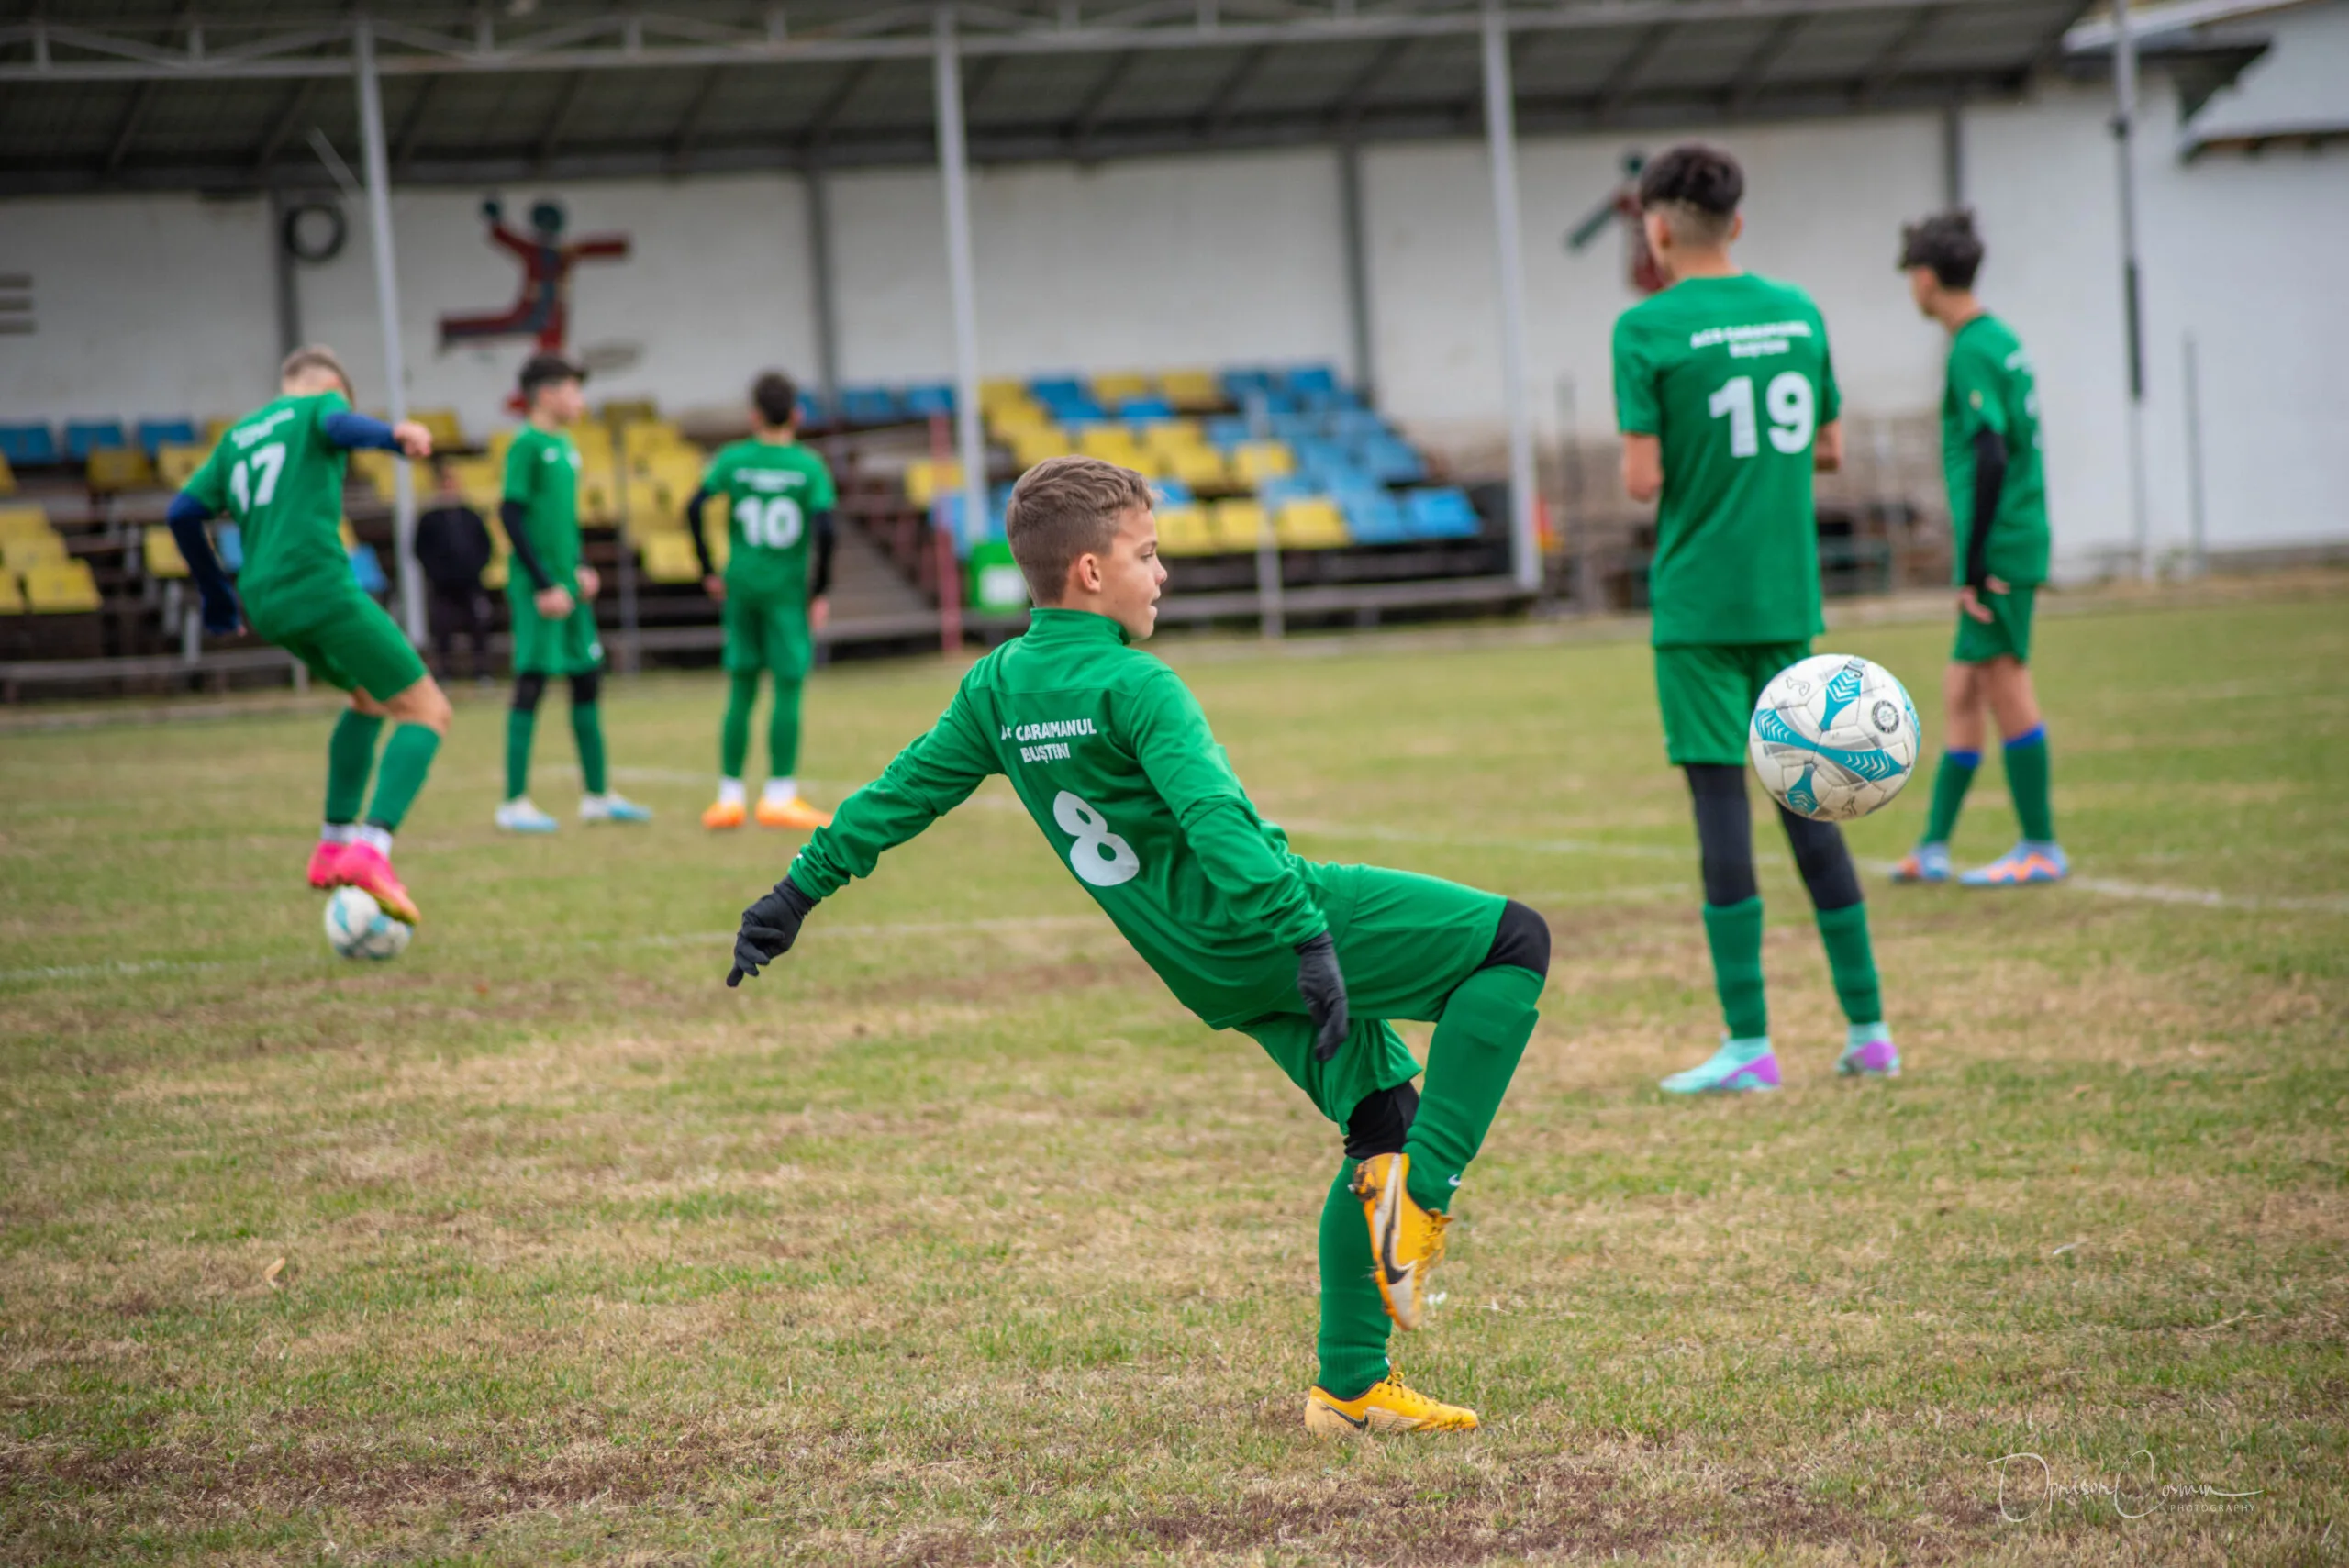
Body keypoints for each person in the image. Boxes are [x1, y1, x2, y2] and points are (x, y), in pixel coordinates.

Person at [723, 456, 1549, 1436]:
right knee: (1513, 941)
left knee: (1381, 1117)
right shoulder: (1136, 683)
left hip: (1198, 964)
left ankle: (1350, 1387)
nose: (1161, 573)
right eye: (1147, 554)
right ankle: (1424, 1201)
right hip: (1267, 921)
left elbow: (902, 793)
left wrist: (796, 891)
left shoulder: (997, 687)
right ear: (1088, 571)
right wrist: (1307, 936)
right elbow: (1219, 826)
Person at [1609, 144, 1897, 1094]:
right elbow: (1828, 447)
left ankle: (1749, 1043)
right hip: (1784, 596)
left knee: (1720, 811)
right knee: (1812, 802)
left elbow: (1642, 479)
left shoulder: (1644, 326)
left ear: (1656, 229)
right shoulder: (1798, 311)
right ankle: (1869, 1030)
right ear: (1736, 223)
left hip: (1698, 606)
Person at [164, 345, 449, 925]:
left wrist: (217, 595)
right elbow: (339, 425)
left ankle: (332, 846)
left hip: (266, 601)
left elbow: (182, 512)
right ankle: (371, 849)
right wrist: (394, 437)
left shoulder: (238, 437)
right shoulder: (320, 407)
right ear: (331, 387)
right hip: (320, 587)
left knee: (367, 697)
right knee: (427, 712)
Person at [1891, 211, 2066, 887]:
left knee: (2004, 682)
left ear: (1926, 278)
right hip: (2011, 533)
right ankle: (1932, 846)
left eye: (1911, 273)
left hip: (2002, 543)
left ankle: (2040, 846)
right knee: (1961, 688)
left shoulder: (1970, 349)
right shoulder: (1999, 338)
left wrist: (1973, 564)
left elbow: (1990, 453)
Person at [494, 351, 651, 832]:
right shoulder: (526, 445)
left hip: (569, 587)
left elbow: (560, 520)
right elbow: (511, 515)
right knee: (532, 682)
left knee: (587, 677)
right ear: (546, 395)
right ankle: (513, 802)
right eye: (573, 390)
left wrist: (580, 567)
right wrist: (544, 584)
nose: (580, 400)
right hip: (539, 590)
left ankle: (597, 796)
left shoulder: (565, 445)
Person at [685, 372, 839, 832]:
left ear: (754, 416)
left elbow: (693, 506)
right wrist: (820, 591)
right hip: (786, 591)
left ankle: (729, 797)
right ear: (796, 415)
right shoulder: (808, 466)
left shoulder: (734, 459)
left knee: (741, 687)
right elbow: (827, 529)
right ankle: (779, 795)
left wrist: (707, 567)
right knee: (788, 687)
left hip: (741, 585)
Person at [413, 462, 495, 684]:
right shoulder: (429, 519)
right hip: (443, 584)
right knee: (442, 627)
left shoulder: (471, 516)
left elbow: (486, 546)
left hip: (470, 581)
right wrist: (437, 572)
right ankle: (444, 670)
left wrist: (475, 568)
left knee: (478, 624)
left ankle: (482, 670)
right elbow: (420, 549)